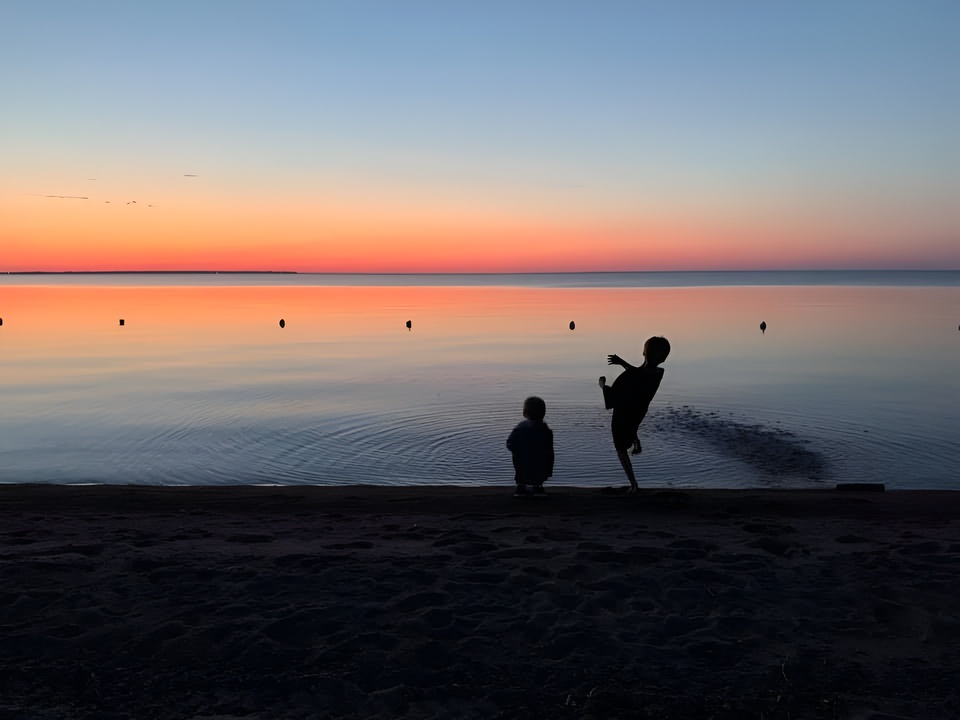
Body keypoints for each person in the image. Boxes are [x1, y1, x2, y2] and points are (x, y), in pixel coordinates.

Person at [598, 336, 671, 494]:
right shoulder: (657, 373)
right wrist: (622, 362)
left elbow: (636, 375)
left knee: (620, 448)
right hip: (637, 411)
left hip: (625, 411)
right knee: (630, 430)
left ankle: (633, 483)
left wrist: (603, 385)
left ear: (644, 351)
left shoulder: (648, 374)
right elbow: (638, 373)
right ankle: (635, 441)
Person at [506, 396, 555, 496]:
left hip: (522, 459)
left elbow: (510, 443)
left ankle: (521, 488)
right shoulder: (545, 430)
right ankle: (537, 488)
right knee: (540, 471)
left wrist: (516, 451)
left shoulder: (520, 428)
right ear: (543, 413)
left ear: (525, 412)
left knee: (521, 472)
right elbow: (549, 447)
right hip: (541, 460)